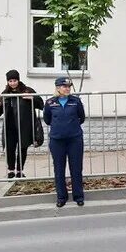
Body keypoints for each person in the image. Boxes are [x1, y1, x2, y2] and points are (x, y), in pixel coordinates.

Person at [42, 77, 86, 208]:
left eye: (69, 86)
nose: (67, 89)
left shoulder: (76, 101)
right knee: (59, 169)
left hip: (74, 139)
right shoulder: (50, 103)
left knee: (76, 168)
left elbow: (81, 118)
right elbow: (47, 120)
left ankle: (78, 196)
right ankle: (61, 197)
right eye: (64, 86)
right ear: (57, 88)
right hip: (57, 140)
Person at [0, 69, 43, 178]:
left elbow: (41, 104)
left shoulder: (27, 90)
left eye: (14, 80)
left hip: (24, 126)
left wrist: (32, 98)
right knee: (10, 148)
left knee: (22, 148)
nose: (12, 83)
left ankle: (20, 171)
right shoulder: (5, 93)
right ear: (7, 82)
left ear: (18, 80)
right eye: (10, 81)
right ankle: (11, 170)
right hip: (10, 126)